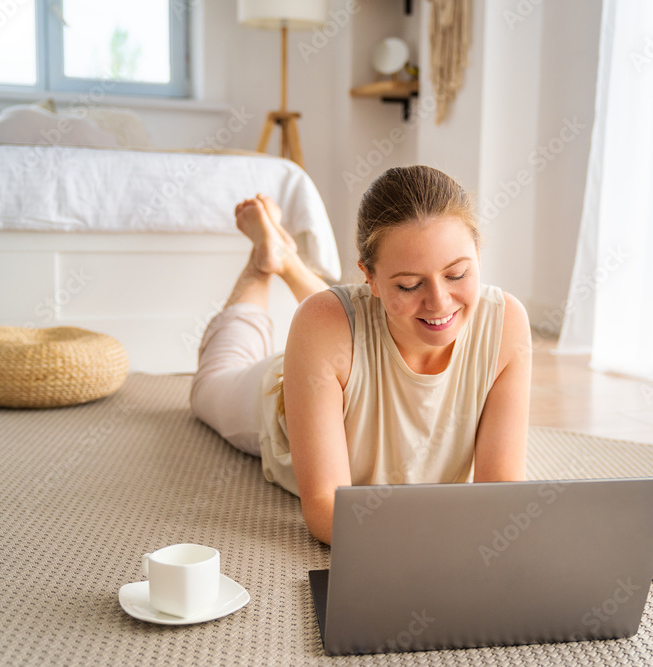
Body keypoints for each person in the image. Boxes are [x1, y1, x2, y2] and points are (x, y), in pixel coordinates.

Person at [190, 165, 532, 545]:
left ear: (478, 253)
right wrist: (435, 540)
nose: (439, 302)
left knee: (342, 320)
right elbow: (325, 508)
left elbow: (500, 495)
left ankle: (285, 259)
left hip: (339, 345)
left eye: (457, 275)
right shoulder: (321, 324)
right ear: (369, 278)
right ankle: (263, 263)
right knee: (212, 381)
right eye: (409, 284)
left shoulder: (506, 323)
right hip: (285, 398)